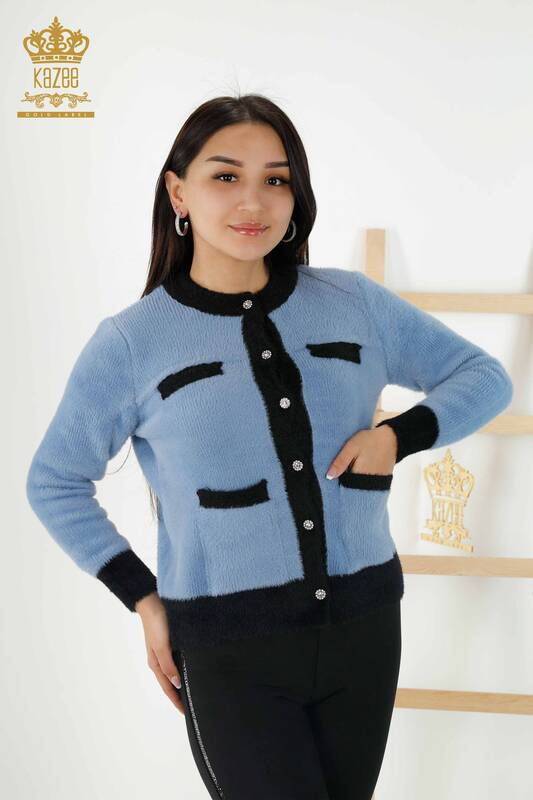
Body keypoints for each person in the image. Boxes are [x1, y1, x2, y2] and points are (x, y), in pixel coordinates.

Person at [26, 93, 513, 800]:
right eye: (225, 176)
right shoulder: (132, 342)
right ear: (178, 192)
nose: (253, 201)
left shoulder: (352, 302)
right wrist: (144, 598)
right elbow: (55, 481)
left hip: (365, 626)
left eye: (276, 179)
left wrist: (396, 437)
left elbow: (485, 377)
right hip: (228, 646)